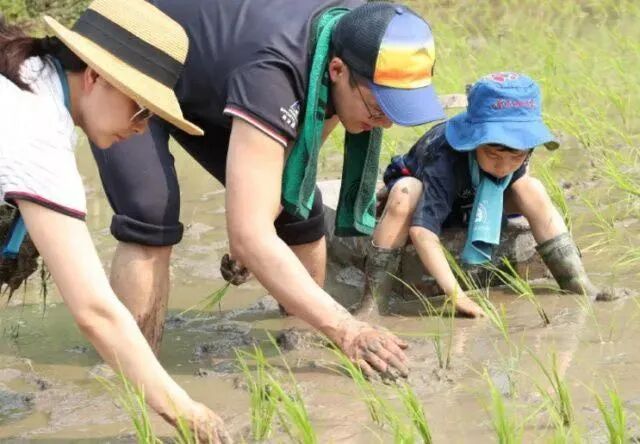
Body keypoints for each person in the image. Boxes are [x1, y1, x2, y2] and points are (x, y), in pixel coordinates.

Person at [90, 0, 446, 378]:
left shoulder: (360, 31)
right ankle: (133, 375)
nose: (384, 125)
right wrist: (347, 327)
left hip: (214, 72)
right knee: (151, 213)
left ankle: (300, 347)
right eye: (377, 110)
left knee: (298, 209)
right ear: (337, 70)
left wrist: (255, 226)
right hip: (133, 51)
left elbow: (297, 163)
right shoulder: (275, 74)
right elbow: (250, 235)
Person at [0, 1, 230, 441]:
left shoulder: (25, 77)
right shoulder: (35, 132)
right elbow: (96, 312)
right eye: (141, 109)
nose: (143, 128)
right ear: (94, 76)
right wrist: (187, 412)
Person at [364, 72, 612, 318]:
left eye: (516, 157)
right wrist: (458, 296)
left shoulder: (521, 150)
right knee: (406, 192)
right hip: (429, 197)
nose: (504, 167)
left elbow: (519, 178)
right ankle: (373, 302)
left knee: (531, 188)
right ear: (473, 142)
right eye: (493, 155)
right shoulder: (444, 157)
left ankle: (576, 282)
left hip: (474, 199)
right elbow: (422, 232)